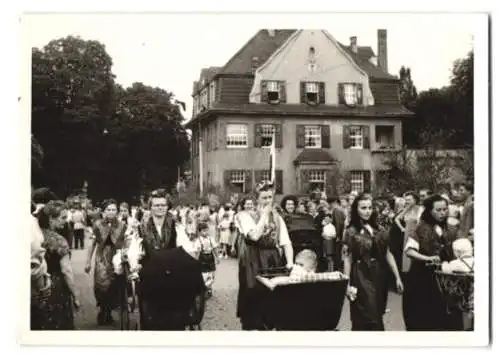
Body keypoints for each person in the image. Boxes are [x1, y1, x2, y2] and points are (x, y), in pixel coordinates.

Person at [236, 181, 294, 330]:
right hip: (252, 260)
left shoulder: (277, 217)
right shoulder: (243, 216)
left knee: (272, 298)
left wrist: (290, 262)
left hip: (271, 259)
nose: (268, 201)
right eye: (264, 198)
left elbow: (285, 241)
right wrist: (263, 216)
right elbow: (254, 236)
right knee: (253, 296)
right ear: (256, 199)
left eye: (270, 197)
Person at [342, 194, 403, 331]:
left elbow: (388, 253)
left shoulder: (379, 229)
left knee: (377, 312)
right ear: (356, 210)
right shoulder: (351, 231)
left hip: (379, 275)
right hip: (360, 274)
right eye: (363, 208)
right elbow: (347, 258)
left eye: (370, 208)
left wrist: (398, 277)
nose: (367, 211)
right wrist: (347, 283)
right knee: (369, 315)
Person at [402, 194, 459, 331]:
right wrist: (427, 258)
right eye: (438, 210)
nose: (442, 213)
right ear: (429, 211)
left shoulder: (450, 228)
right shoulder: (420, 228)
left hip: (444, 277)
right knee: (424, 316)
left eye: (445, 209)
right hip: (422, 278)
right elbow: (409, 251)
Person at [35, 200, 80, 330]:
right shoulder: (59, 241)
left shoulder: (34, 236)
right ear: (51, 218)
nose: (65, 221)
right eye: (62, 218)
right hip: (55, 288)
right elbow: (66, 271)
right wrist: (76, 295)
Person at [85, 199, 126, 326]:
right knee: (101, 283)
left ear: (117, 211)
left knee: (115, 284)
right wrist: (88, 261)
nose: (111, 212)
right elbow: (92, 243)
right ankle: (103, 310)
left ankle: (109, 310)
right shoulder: (97, 225)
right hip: (101, 257)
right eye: (108, 209)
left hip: (117, 256)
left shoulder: (122, 225)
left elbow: (125, 242)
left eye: (114, 209)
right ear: (103, 211)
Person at [195, 222, 219, 297]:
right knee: (204, 274)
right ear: (199, 231)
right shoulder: (198, 240)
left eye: (206, 230)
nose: (205, 232)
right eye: (203, 231)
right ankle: (204, 288)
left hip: (210, 257)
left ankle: (209, 288)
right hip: (202, 257)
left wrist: (217, 257)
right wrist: (196, 261)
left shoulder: (211, 239)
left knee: (211, 274)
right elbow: (197, 252)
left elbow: (214, 248)